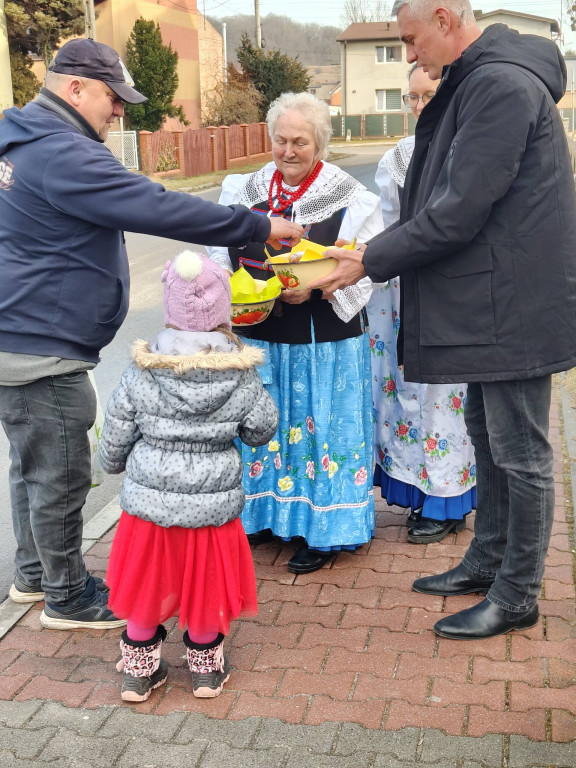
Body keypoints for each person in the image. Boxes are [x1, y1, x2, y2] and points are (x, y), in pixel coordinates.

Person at [0, 37, 302, 631]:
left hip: (20, 332)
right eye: (113, 99)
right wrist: (256, 226)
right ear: (75, 87)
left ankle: (33, 575)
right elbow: (155, 206)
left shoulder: (21, 143)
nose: (119, 112)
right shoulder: (63, 153)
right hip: (42, 345)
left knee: (32, 463)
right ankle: (66, 595)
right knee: (60, 471)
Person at [310, 1, 576, 639]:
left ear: (444, 17)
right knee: (487, 434)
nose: (407, 55)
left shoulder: (500, 85)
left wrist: (368, 260)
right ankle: (488, 559)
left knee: (521, 451)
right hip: (491, 298)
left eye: (409, 39)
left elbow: (458, 210)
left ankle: (517, 595)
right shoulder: (479, 79)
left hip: (511, 303)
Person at [208, 92, 383, 574]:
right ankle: (266, 516)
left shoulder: (351, 196)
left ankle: (326, 530)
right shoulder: (245, 189)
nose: (288, 151)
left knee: (319, 428)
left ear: (320, 143)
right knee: (263, 427)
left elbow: (371, 268)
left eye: (300, 142)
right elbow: (218, 256)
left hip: (324, 342)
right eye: (281, 140)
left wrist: (319, 287)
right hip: (262, 338)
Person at [98, 250, 279, 702]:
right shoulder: (240, 376)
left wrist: (113, 464)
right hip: (212, 506)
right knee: (206, 582)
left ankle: (140, 672)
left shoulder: (143, 370)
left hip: (150, 507)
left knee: (145, 583)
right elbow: (261, 429)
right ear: (224, 313)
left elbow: (117, 433)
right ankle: (204, 671)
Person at [368, 63, 476, 544]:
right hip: (399, 290)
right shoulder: (397, 156)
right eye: (411, 97)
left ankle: (448, 497)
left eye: (427, 96)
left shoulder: (466, 151)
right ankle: (413, 489)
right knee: (401, 391)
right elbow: (385, 225)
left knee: (444, 394)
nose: (418, 106)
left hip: (446, 289)